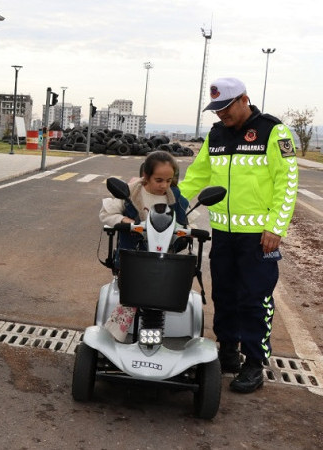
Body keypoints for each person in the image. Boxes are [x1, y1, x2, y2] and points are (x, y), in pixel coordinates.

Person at [178, 77, 298, 394]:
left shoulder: (273, 131)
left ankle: (255, 363)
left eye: (225, 107)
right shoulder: (216, 135)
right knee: (225, 295)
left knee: (255, 299)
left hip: (258, 236)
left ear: (244, 99)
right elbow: (198, 176)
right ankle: (228, 350)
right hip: (223, 233)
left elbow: (287, 181)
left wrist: (276, 227)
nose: (221, 115)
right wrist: (172, 204)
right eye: (216, 109)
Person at [99, 150, 190, 341]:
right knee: (136, 290)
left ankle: (166, 336)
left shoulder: (176, 198)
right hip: (133, 259)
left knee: (172, 290)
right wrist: (127, 221)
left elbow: (189, 222)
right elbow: (106, 214)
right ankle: (113, 337)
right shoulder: (130, 193)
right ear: (146, 176)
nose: (164, 185)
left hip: (166, 261)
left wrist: (187, 232)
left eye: (169, 180)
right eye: (159, 180)